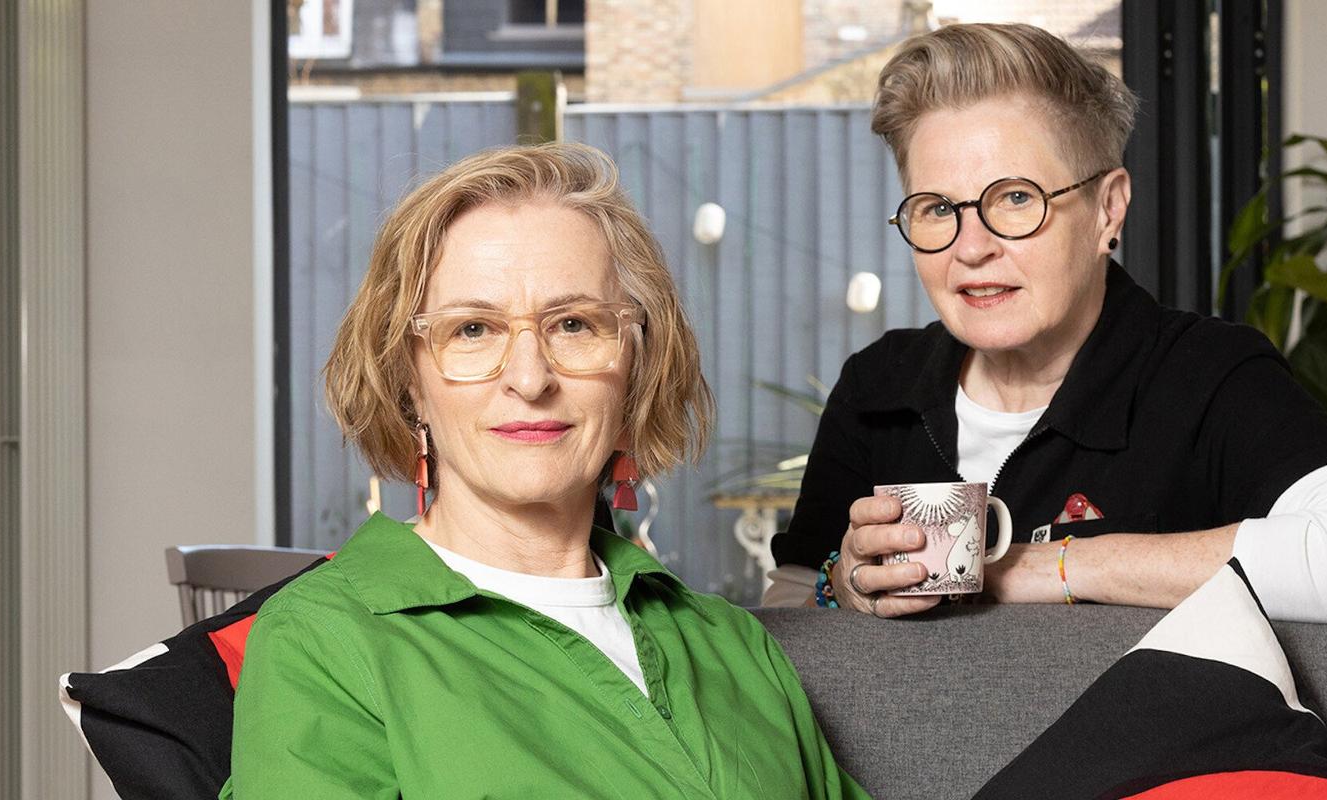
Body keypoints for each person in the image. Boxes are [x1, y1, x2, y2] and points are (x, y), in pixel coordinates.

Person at [225, 143, 865, 799]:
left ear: (636, 366)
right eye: (473, 329)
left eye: (574, 324)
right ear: (406, 379)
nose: (530, 378)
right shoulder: (322, 643)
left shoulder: (731, 644)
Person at [768, 23, 1327, 624]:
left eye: (1017, 198)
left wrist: (1041, 568)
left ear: (1108, 210)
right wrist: (841, 587)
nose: (972, 248)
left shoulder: (1205, 376)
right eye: (938, 208)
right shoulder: (879, 388)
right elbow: (784, 616)